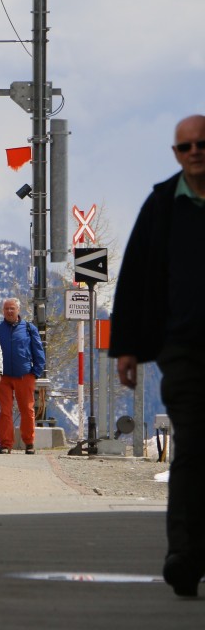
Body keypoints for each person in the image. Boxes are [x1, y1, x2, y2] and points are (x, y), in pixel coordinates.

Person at [111, 114, 205, 598]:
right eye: (185, 146)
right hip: (183, 348)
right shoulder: (163, 206)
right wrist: (127, 346)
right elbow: (135, 277)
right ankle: (184, 555)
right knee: (192, 443)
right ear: (175, 153)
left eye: (201, 144)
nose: (194, 152)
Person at [0, 298, 46, 454]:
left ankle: (29, 443)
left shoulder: (29, 328)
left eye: (12, 308)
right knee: (5, 411)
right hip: (2, 377)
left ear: (18, 310)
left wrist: (35, 373)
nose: (9, 311)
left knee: (27, 410)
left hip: (25, 376)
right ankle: (5, 445)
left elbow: (39, 352)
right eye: (7, 308)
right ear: (3, 311)